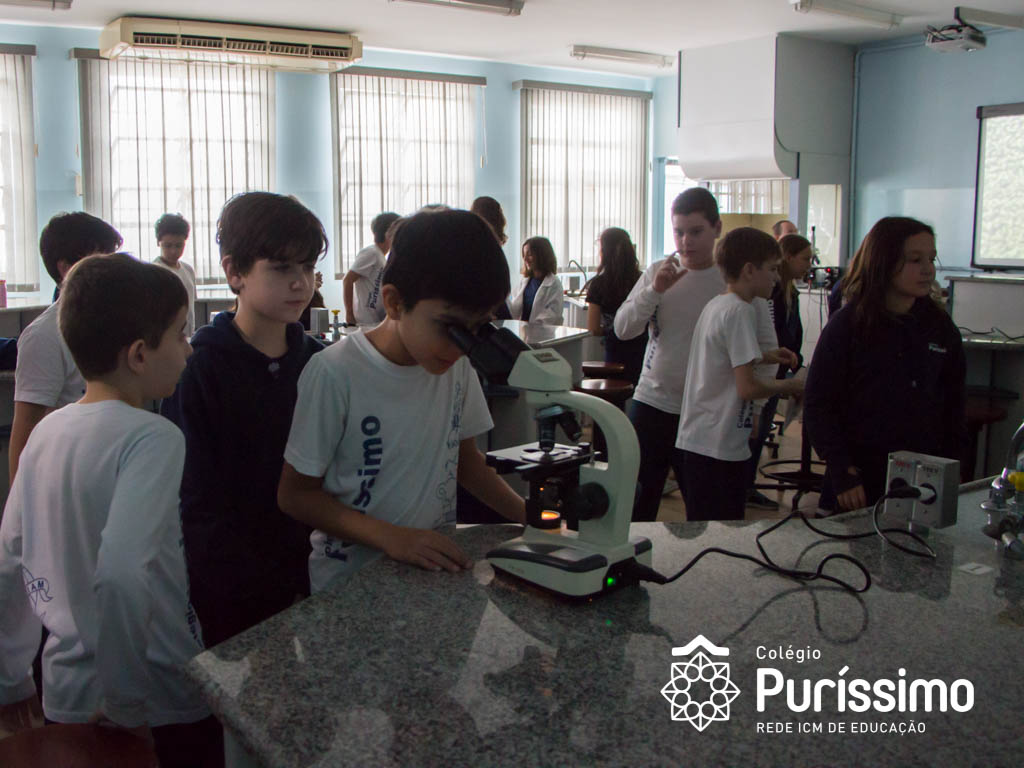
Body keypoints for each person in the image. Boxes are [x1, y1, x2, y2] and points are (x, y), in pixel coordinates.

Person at [0, 254, 222, 767]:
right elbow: (122, 573)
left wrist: (11, 676)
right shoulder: (152, 437)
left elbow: (10, 559)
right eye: (181, 335)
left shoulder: (47, 432)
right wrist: (125, 703)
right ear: (140, 354)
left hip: (66, 693)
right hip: (152, 696)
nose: (189, 349)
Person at [277, 209, 526, 592]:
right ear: (394, 302)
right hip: (350, 585)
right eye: (451, 327)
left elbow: (468, 463)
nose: (462, 346)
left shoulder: (457, 365)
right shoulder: (335, 372)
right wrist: (392, 537)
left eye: (477, 328)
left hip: (429, 570)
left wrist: (534, 518)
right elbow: (296, 495)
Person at [161, 192, 327, 648]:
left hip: (313, 573)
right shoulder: (200, 368)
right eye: (281, 268)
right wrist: (236, 586)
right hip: (231, 590)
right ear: (234, 272)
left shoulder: (319, 364)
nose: (300, 283)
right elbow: (194, 497)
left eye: (307, 267)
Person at [804, 216, 966, 513]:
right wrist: (841, 469)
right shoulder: (849, 325)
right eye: (915, 260)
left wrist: (953, 469)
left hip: (921, 481)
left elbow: (953, 406)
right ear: (884, 262)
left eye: (931, 259)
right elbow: (818, 404)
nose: (928, 269)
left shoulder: (939, 327)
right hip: (858, 479)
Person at [674, 228, 804, 521]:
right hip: (716, 444)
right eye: (772, 269)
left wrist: (766, 356)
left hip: (705, 440)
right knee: (720, 531)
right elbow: (748, 388)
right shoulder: (740, 312)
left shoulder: (720, 304)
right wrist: (793, 385)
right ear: (749, 270)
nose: (776, 277)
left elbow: (724, 359)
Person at [614, 188, 726, 521]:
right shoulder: (658, 272)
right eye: (679, 232)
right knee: (636, 505)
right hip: (653, 402)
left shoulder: (728, 278)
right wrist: (655, 291)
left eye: (696, 231)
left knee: (704, 511)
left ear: (717, 228)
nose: (686, 241)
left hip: (706, 410)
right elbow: (623, 329)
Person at [9, 212, 122, 484]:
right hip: (66, 477)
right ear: (66, 268)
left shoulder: (117, 322)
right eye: (102, 260)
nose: (114, 272)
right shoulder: (44, 335)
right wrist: (20, 504)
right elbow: (25, 431)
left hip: (111, 466)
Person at [745, 233, 814, 510]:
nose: (809, 265)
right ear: (789, 257)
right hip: (766, 373)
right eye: (805, 259)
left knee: (761, 432)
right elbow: (769, 336)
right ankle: (744, 486)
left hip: (779, 367)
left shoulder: (789, 291)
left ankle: (747, 484)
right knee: (756, 432)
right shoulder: (769, 294)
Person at [585, 227, 646, 385]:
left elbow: (593, 328)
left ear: (604, 252)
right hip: (643, 349)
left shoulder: (598, 284)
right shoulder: (643, 280)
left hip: (615, 350)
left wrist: (610, 329)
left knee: (616, 392)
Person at [343, 211, 400, 327]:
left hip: (376, 321)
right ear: (389, 232)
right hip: (365, 321)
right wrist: (349, 314)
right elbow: (348, 280)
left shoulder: (381, 257)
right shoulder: (371, 252)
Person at [153, 213, 197, 337]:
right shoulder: (155, 272)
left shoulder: (188, 270)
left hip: (188, 336)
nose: (173, 251)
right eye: (167, 246)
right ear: (158, 242)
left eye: (179, 245)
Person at [507, 236, 564, 325]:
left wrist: (530, 328)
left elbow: (551, 317)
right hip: (524, 330)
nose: (525, 259)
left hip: (542, 331)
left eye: (529, 255)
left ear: (542, 256)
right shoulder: (525, 281)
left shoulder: (554, 284)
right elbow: (514, 310)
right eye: (524, 255)